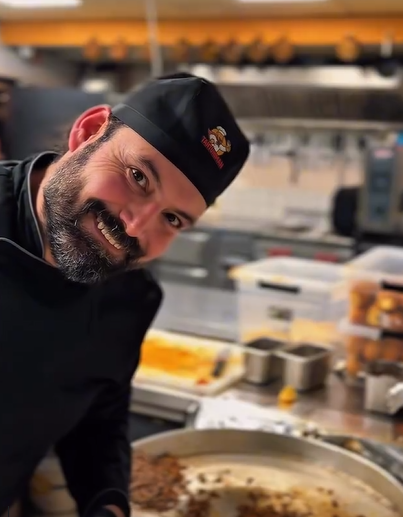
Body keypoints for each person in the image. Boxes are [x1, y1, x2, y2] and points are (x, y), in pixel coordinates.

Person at [0, 73, 249, 517]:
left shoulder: (130, 298)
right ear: (87, 131)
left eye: (172, 218)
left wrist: (107, 500)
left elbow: (99, 416)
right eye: (138, 177)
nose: (135, 226)